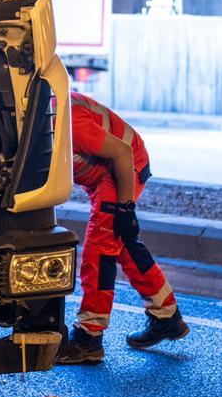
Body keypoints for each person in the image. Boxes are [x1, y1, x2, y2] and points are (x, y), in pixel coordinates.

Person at [58, 92, 189, 364]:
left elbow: (122, 152)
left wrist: (125, 209)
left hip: (124, 168)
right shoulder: (42, 115)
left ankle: (89, 338)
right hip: (106, 175)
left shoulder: (67, 123)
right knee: (122, 244)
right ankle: (166, 316)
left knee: (99, 250)